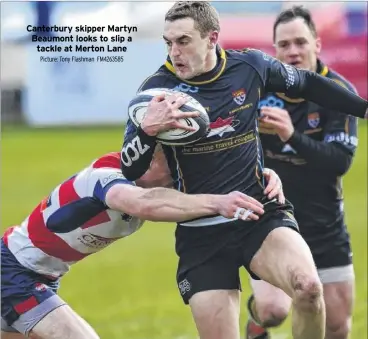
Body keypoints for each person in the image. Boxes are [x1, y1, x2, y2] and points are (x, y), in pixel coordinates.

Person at [120, 2, 368, 339]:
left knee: (308, 288)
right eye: (168, 43)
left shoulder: (249, 66)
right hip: (201, 232)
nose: (174, 52)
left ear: (212, 38)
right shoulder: (156, 91)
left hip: (260, 217)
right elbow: (131, 169)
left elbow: (308, 84)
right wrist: (148, 131)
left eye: (183, 41)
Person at [1, 96, 286, 339]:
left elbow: (224, 180)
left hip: (42, 275)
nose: (183, 166)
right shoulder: (106, 176)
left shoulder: (166, 182)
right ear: (150, 155)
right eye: (175, 157)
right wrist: (217, 202)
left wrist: (264, 177)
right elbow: (142, 204)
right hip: (12, 270)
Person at [244, 6, 359, 339]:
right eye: (284, 45)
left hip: (324, 224)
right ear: (275, 49)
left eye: (300, 42)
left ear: (317, 45)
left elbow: (339, 162)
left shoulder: (339, 93)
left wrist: (290, 136)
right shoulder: (257, 92)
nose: (292, 51)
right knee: (273, 311)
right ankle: (256, 323)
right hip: (271, 221)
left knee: (336, 327)